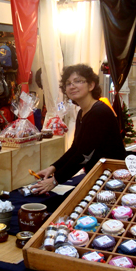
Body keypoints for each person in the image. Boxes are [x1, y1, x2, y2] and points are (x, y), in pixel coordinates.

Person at [31, 64, 126, 195]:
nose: (72, 86)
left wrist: (55, 180)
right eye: (68, 83)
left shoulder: (99, 112)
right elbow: (76, 148)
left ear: (91, 85)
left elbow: (83, 155)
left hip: (113, 177)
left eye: (78, 81)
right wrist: (53, 168)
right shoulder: (82, 112)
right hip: (97, 174)